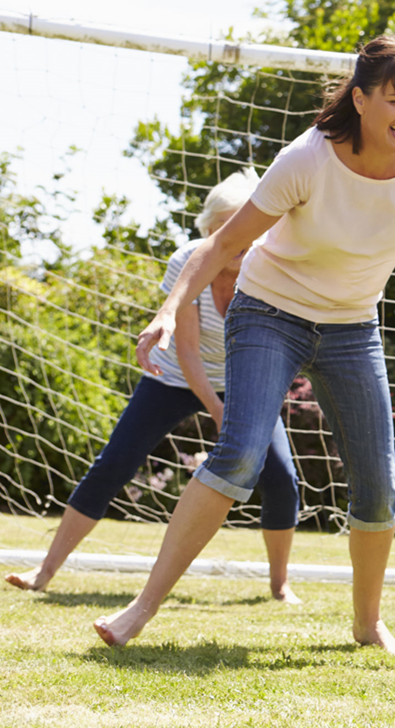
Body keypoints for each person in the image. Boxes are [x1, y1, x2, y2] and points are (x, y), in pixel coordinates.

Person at [93, 34, 395, 656]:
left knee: (379, 485)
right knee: (241, 453)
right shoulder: (307, 158)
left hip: (353, 328)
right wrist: (170, 308)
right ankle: (142, 608)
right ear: (360, 99)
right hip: (270, 313)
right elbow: (219, 246)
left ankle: (368, 622)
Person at [5, 170, 303, 603]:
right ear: (208, 231)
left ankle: (280, 586)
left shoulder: (270, 265)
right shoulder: (189, 260)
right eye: (222, 226)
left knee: (280, 476)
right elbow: (187, 351)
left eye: (244, 223)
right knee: (115, 463)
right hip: (174, 377)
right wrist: (217, 411)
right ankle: (45, 570)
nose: (234, 236)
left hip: (243, 380)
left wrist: (238, 407)